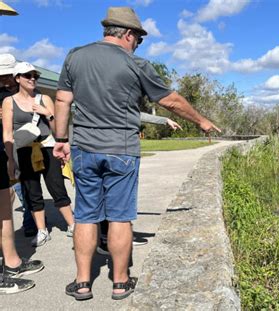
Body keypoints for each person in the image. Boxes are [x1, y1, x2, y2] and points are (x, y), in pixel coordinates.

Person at [53, 6, 220, 301]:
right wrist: (202, 121)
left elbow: (63, 100)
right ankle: (120, 282)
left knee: (86, 216)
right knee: (119, 217)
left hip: (84, 148)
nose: (138, 46)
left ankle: (82, 283)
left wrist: (61, 139)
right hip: (122, 149)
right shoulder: (136, 65)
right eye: (138, 40)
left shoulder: (75, 56)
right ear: (128, 34)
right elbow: (171, 101)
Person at [2, 61, 75, 247]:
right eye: (28, 75)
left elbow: (57, 129)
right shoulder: (9, 102)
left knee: (57, 188)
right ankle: (42, 231)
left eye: (35, 76)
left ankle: (73, 225)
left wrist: (47, 114)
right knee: (32, 193)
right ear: (17, 78)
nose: (33, 79)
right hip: (24, 151)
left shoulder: (44, 99)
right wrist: (10, 159)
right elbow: (8, 133)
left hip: (47, 148)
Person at [96, 115, 182, 255]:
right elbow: (135, 112)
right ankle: (112, 240)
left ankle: (108, 239)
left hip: (95, 149)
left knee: (105, 198)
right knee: (119, 200)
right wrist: (164, 120)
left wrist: (164, 120)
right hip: (117, 151)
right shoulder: (114, 99)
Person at [0, 53, 44, 294]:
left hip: (2, 156)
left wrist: (8, 159)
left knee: (5, 210)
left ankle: (12, 262)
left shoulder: (6, 97)